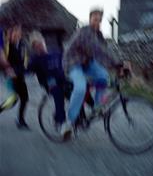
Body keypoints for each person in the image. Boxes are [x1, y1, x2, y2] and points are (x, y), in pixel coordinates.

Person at [62, 8, 126, 137]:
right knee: (80, 88)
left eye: (99, 20)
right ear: (90, 19)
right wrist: (117, 64)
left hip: (86, 62)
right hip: (73, 63)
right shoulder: (85, 32)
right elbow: (98, 51)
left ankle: (97, 106)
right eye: (95, 19)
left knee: (103, 76)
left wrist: (120, 63)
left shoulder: (98, 34)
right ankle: (69, 122)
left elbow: (105, 50)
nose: (97, 22)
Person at [28, 33, 66, 131]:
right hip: (49, 81)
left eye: (40, 43)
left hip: (61, 77)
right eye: (36, 46)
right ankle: (61, 121)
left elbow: (66, 61)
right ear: (34, 48)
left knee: (77, 88)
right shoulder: (35, 59)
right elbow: (27, 69)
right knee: (58, 93)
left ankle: (86, 111)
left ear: (44, 41)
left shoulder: (56, 52)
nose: (40, 47)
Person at [6, 25, 29, 129]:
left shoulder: (22, 44)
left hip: (20, 75)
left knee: (24, 98)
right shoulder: (7, 46)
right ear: (11, 33)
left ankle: (21, 120)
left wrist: (26, 68)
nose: (17, 34)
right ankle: (20, 120)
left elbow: (25, 59)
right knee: (13, 100)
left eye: (19, 32)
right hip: (11, 76)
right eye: (15, 32)